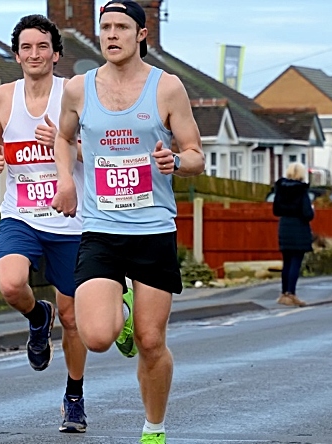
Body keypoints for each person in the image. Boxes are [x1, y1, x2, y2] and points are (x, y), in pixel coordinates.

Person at [50, 1, 205, 442]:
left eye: (121, 27)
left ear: (141, 34)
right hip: (100, 228)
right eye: (105, 27)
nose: (111, 34)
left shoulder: (167, 88)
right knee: (97, 336)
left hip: (153, 228)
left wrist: (174, 160)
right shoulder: (79, 88)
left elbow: (196, 154)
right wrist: (66, 180)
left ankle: (153, 429)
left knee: (151, 341)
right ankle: (121, 306)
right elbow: (64, 138)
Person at [0, 14, 89, 433]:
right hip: (21, 213)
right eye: (26, 47)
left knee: (74, 316)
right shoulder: (2, 97)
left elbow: (98, 153)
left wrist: (64, 144)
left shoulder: (74, 95)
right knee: (10, 284)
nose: (34, 54)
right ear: (16, 55)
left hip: (70, 219)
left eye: (42, 46)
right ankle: (35, 317)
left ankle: (74, 397)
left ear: (56, 54)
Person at [273, 162, 314, 307]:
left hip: (284, 226)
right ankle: (291, 293)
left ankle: (284, 293)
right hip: (299, 228)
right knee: (296, 262)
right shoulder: (301, 190)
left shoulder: (280, 189)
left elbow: (276, 210)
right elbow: (307, 213)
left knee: (287, 262)